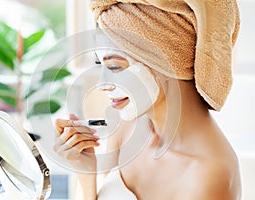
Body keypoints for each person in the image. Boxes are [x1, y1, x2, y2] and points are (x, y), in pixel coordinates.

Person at [53, 0, 241, 199]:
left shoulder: (210, 176)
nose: (102, 85)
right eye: (101, 64)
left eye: (115, 67)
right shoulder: (128, 127)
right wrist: (85, 172)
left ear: (167, 62)